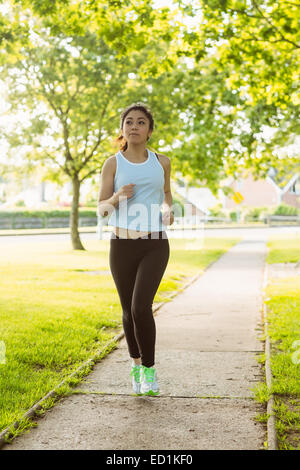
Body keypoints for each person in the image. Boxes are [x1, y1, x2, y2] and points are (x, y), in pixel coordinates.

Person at [98, 102, 174, 396]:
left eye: (140, 122)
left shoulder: (162, 162)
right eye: (128, 121)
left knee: (141, 307)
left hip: (155, 243)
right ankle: (136, 363)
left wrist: (168, 210)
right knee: (128, 311)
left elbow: (166, 194)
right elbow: (102, 209)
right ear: (122, 129)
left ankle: (150, 371)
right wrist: (117, 196)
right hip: (121, 244)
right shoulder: (113, 164)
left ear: (149, 130)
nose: (134, 126)